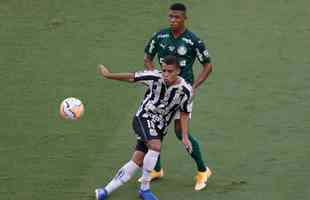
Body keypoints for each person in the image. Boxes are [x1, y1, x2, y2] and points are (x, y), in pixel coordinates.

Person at [95, 55, 194, 200]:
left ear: (178, 71)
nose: (165, 74)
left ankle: (105, 190)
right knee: (155, 146)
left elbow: (184, 113)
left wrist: (185, 136)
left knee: (137, 160)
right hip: (143, 117)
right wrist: (108, 75)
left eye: (170, 71)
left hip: (160, 127)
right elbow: (131, 77)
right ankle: (145, 188)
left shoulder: (186, 91)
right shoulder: (154, 77)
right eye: (164, 70)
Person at [142, 3, 213, 191]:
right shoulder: (160, 36)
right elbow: (147, 58)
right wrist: (154, 78)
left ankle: (203, 170)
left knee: (180, 132)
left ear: (184, 19)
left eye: (177, 17)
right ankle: (156, 169)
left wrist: (194, 86)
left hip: (181, 94)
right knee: (155, 127)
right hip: (160, 92)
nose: (173, 20)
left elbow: (208, 65)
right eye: (171, 17)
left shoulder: (193, 41)